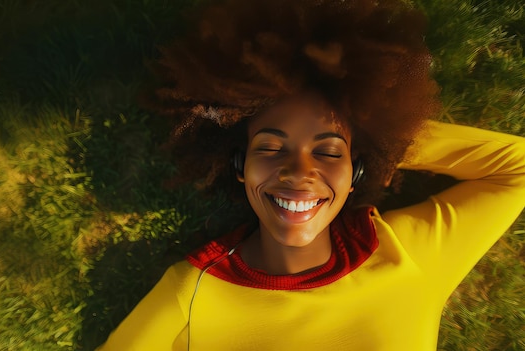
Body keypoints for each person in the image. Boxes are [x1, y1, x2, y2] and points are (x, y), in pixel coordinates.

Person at [96, 0, 525, 350]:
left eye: (328, 151)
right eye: (270, 146)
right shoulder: (190, 293)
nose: (299, 172)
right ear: (239, 166)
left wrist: (387, 139)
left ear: (355, 171)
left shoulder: (408, 255)